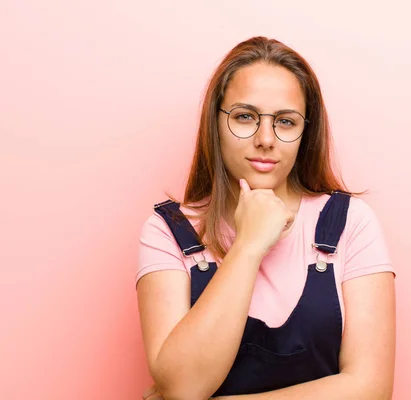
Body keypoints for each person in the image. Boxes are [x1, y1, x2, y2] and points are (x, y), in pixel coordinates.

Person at [136, 36, 396, 400]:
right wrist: (249, 245)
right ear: (215, 122)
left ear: (305, 133)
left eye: (286, 122)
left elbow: (371, 388)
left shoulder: (352, 223)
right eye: (245, 117)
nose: (265, 139)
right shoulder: (167, 231)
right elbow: (182, 386)